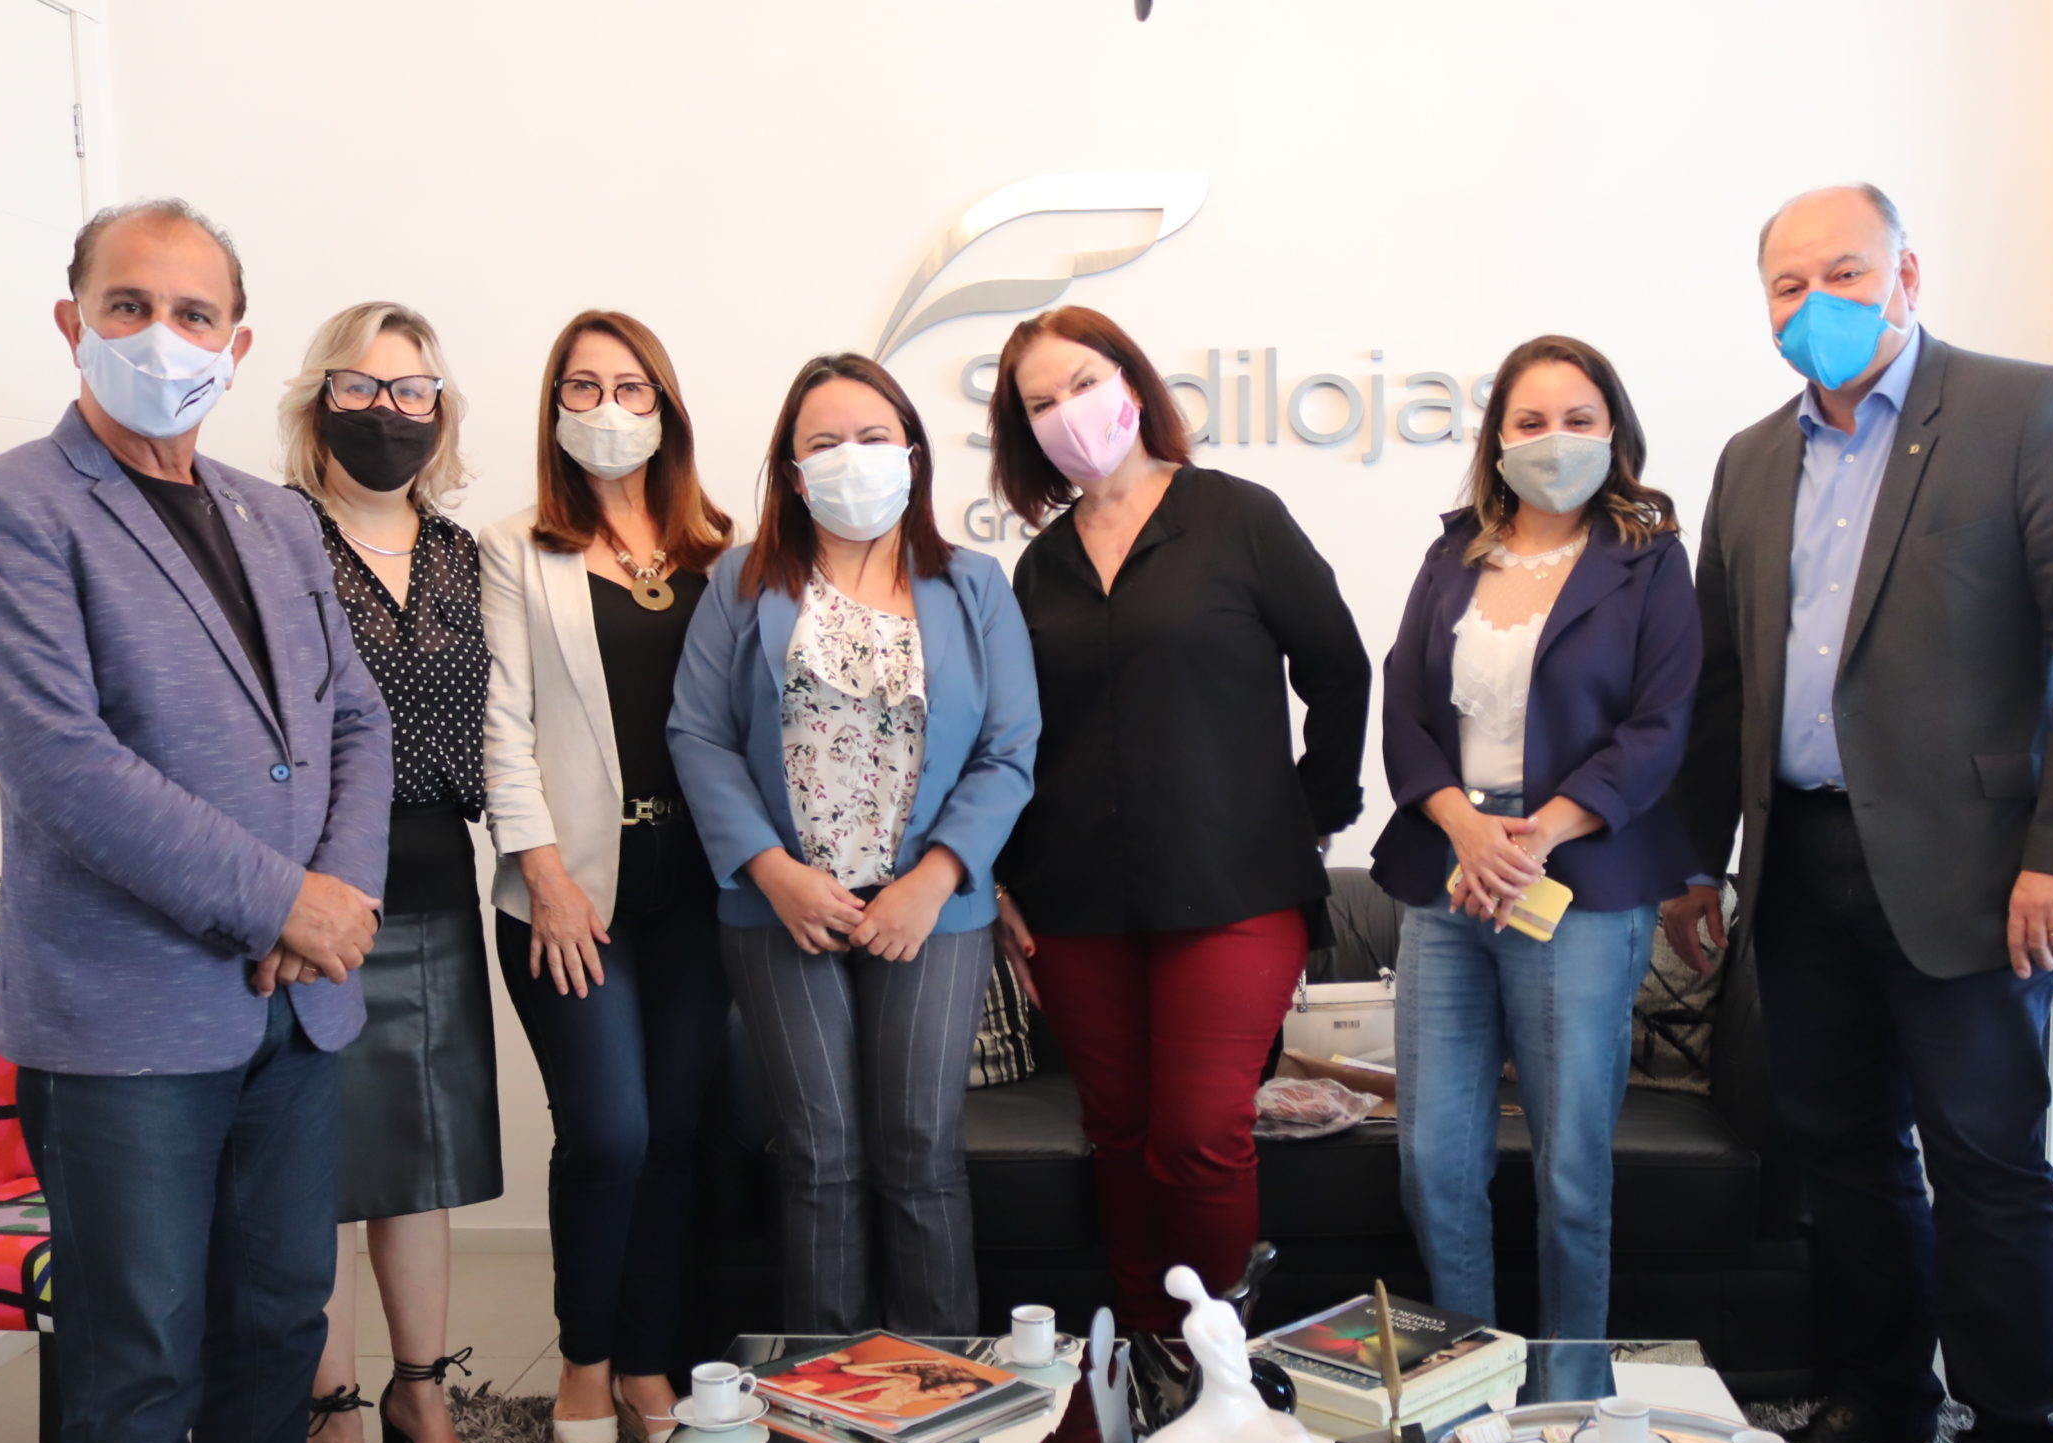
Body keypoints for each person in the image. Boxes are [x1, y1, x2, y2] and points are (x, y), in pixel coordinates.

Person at [0, 199, 433, 1443]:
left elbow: (355, 719)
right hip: (127, 1019)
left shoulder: (276, 517)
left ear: (238, 340)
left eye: (195, 312)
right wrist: (281, 904)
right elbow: (64, 764)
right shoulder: (5, 509)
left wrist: (335, 895)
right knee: (140, 1359)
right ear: (72, 320)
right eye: (129, 305)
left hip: (293, 1008)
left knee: (277, 1320)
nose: (163, 336)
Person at [1665, 185, 2053, 1443]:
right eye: (1785, 284)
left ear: (1905, 276)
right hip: (1801, 860)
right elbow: (1721, 680)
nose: (1812, 302)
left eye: (1842, 272)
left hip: (1982, 870)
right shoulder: (1749, 460)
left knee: (1988, 1164)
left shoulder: (2030, 410)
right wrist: (1699, 853)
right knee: (1843, 1151)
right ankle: (1882, 1391)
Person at [987, 307, 1371, 1339]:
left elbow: (1338, 668)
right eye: (1039, 402)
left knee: (1198, 1135)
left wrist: (1314, 812)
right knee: (1119, 1137)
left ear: (1130, 382)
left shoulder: (1238, 517)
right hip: (1074, 901)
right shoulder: (1040, 567)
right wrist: (1004, 878)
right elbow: (1017, 738)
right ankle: (1145, 1369)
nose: (1067, 412)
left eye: (1082, 383)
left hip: (1234, 889)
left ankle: (1219, 1372)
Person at [670, 354, 1037, 1336]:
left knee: (921, 1152)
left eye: (873, 437)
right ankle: (822, 1398)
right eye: (824, 443)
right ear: (793, 474)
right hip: (782, 909)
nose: (852, 458)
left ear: (912, 454)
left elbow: (1009, 750)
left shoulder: (974, 585)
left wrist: (935, 879)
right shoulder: (743, 581)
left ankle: (940, 1392)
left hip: (933, 912)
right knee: (820, 1157)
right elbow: (697, 735)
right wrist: (772, 872)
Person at [1371, 334, 1701, 1340]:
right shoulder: (1452, 554)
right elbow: (1404, 708)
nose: (1555, 438)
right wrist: (1465, 828)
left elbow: (1660, 726)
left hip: (1577, 883)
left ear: (1614, 432)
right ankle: (1469, 1387)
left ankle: (1569, 1394)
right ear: (1498, 440)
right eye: (1531, 421)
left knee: (1570, 1171)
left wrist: (1533, 838)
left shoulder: (1650, 561)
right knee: (1432, 1161)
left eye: (1578, 419)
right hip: (1449, 874)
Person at [480, 310, 734, 1443]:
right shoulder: (514, 550)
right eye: (582, 388)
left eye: (631, 389)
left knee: (673, 1132)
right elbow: (501, 726)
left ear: (666, 411)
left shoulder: (721, 553)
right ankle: (583, 1354)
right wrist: (542, 872)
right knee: (608, 1131)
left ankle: (645, 1358)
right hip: (571, 892)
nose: (607, 409)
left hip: (699, 890)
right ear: (554, 411)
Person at [278, 302, 500, 1443]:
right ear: (318, 401)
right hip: (318, 895)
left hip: (437, 882)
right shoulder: (276, 537)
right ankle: (334, 1420)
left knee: (419, 1166)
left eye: (412, 391)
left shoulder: (467, 554)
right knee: (321, 1171)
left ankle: (423, 1393)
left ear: (439, 411)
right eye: (360, 387)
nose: (388, 411)